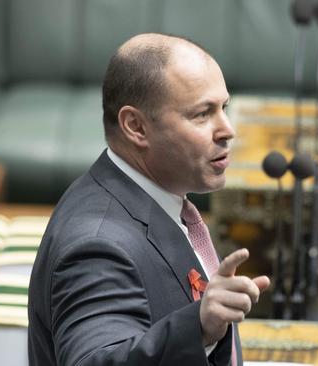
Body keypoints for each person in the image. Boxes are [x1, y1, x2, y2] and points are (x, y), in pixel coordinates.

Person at [28, 33, 270, 366]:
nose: (227, 129)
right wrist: (198, 327)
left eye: (223, 108)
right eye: (202, 114)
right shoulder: (97, 245)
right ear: (136, 127)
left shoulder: (153, 197)